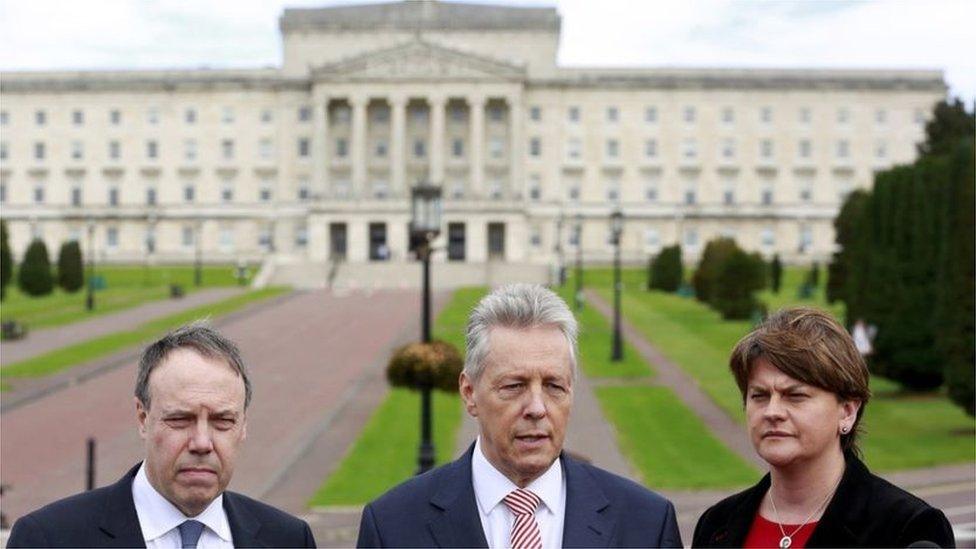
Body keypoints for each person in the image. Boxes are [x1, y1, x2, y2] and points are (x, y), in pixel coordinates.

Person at [357, 283, 682, 548]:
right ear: (469, 393)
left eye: (554, 385)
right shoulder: (392, 526)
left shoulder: (647, 524)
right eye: (514, 385)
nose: (537, 408)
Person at [8, 322, 316, 548]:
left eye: (223, 421)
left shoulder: (288, 539)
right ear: (143, 418)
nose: (201, 443)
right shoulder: (48, 539)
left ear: (244, 425)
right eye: (181, 419)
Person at [692, 307, 954, 548]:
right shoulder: (717, 524)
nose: (772, 412)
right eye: (759, 396)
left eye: (795, 396)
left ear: (847, 411)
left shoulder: (907, 528)